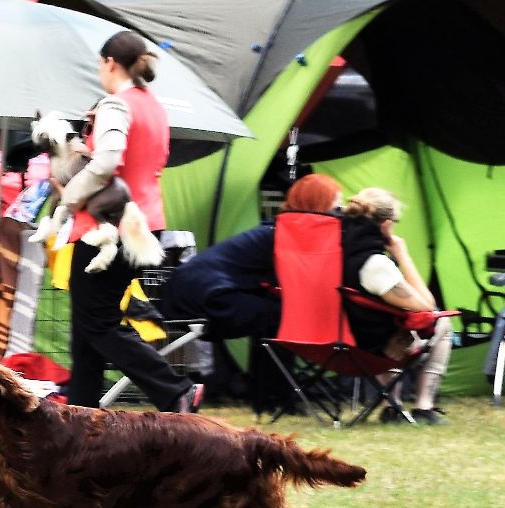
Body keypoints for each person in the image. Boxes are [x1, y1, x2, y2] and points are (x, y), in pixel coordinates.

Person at [56, 30, 200, 413]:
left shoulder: (115, 105)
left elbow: (108, 162)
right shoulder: (154, 106)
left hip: (107, 228)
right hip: (146, 223)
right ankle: (82, 414)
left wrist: (70, 197)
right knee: (87, 326)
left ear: (109, 63)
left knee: (96, 322)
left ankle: (175, 389)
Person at [157, 173, 343, 412]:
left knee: (274, 316)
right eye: (335, 209)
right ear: (317, 207)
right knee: (281, 317)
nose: (339, 216)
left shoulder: (278, 229)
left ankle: (269, 396)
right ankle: (273, 397)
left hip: (193, 292)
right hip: (203, 297)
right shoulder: (283, 234)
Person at [341, 187, 453, 424]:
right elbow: (427, 306)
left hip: (344, 341)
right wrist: (403, 256)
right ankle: (421, 406)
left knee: (393, 325)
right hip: (375, 349)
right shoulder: (375, 264)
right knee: (442, 321)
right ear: (386, 224)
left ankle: (392, 406)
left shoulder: (338, 255)